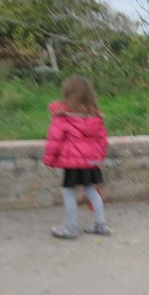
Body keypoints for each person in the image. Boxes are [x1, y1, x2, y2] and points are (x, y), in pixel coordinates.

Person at [43, 76, 110, 238]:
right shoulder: (96, 116)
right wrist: (98, 158)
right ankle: (101, 224)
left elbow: (54, 140)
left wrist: (50, 160)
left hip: (72, 162)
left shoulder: (62, 116)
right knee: (91, 190)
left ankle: (70, 227)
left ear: (68, 94)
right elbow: (103, 141)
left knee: (68, 191)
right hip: (91, 162)